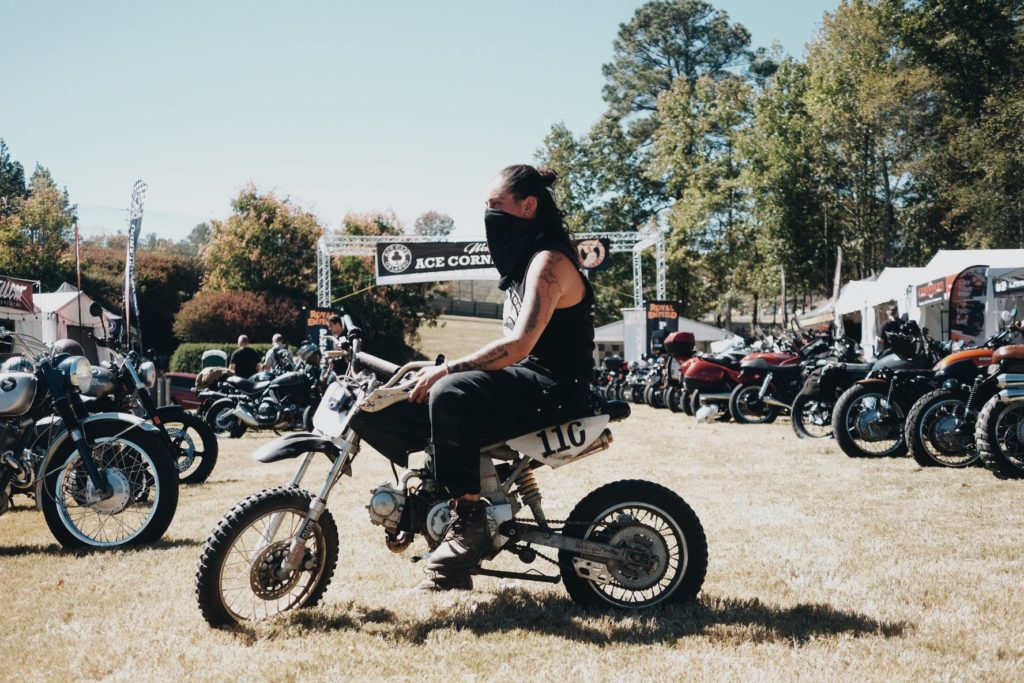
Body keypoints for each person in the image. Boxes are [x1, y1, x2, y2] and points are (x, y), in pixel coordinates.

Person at [349, 164, 595, 591]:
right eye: (486, 207)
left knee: (450, 392)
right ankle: (432, 511)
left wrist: (448, 370)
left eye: (495, 207)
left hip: (556, 387)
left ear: (528, 206)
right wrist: (438, 367)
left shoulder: (549, 263)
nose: (489, 216)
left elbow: (518, 347)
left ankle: (469, 524)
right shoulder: (525, 267)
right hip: (530, 378)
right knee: (416, 397)